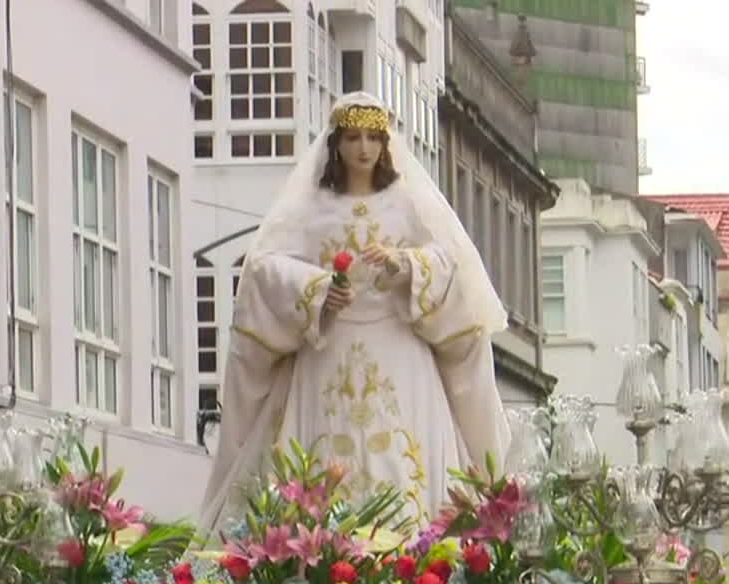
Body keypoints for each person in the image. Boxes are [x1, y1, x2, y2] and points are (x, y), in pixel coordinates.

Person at [198, 91, 509, 539]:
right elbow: (264, 267)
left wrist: (406, 265)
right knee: (325, 468)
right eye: (353, 138)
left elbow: (449, 260)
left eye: (372, 138)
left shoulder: (408, 203)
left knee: (403, 466)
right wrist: (317, 288)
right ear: (336, 145)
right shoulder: (309, 207)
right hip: (329, 354)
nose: (363, 148)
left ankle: (416, 563)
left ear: (385, 145)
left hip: (400, 353)